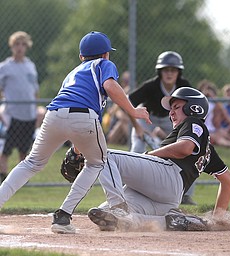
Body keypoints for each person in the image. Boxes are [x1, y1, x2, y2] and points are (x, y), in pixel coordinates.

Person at [0, 31, 151, 233]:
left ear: (81, 57)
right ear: (106, 54)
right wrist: (133, 110)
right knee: (98, 162)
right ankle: (65, 216)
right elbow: (109, 86)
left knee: (32, 163)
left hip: (53, 114)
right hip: (83, 116)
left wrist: (78, 148)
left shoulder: (73, 72)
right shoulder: (104, 64)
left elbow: (72, 116)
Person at [82, 87, 230, 232]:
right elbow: (227, 181)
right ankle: (175, 220)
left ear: (194, 108)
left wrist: (150, 155)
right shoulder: (207, 149)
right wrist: (217, 220)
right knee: (108, 215)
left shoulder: (192, 122)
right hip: (168, 198)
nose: (171, 112)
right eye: (171, 109)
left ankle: (118, 208)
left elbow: (185, 148)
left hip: (166, 176)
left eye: (176, 107)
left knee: (104, 155)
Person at [128, 51, 191, 153]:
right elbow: (128, 102)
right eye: (166, 70)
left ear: (178, 72)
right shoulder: (151, 85)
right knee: (137, 149)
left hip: (170, 119)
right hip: (147, 118)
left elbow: (194, 104)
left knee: (180, 149)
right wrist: (137, 127)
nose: (169, 73)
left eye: (173, 70)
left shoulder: (183, 85)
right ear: (160, 71)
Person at [0, 31, 39, 184]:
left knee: (24, 148)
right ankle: (3, 175)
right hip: (12, 113)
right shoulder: (5, 67)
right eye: (17, 44)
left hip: (28, 113)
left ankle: (21, 178)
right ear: (12, 46)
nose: (20, 48)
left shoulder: (30, 66)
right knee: (6, 148)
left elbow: (35, 89)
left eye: (23, 44)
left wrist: (35, 109)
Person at [104, 71, 131, 145]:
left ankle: (130, 142)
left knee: (123, 122)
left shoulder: (133, 97)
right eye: (126, 82)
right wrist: (124, 94)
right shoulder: (115, 95)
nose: (128, 85)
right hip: (112, 133)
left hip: (127, 129)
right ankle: (130, 142)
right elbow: (113, 112)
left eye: (129, 82)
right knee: (122, 122)